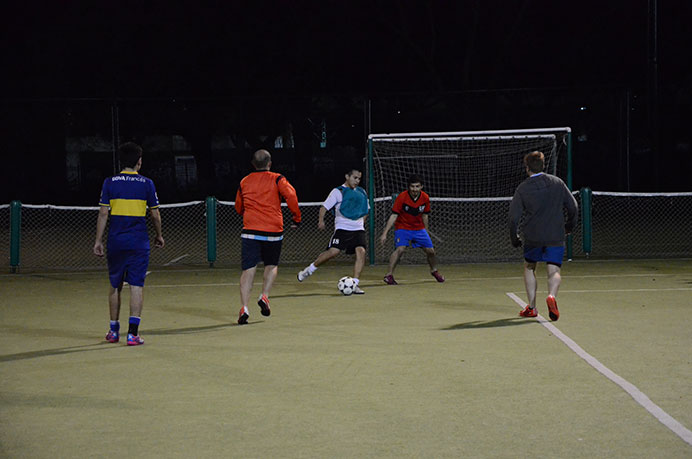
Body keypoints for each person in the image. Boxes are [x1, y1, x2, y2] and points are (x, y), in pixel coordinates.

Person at [93, 142, 164, 346]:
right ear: (139, 161)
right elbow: (155, 214)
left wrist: (98, 240)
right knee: (136, 285)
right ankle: (132, 334)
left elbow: (103, 213)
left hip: (116, 241)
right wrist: (159, 235)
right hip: (138, 242)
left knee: (115, 285)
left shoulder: (109, 182)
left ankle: (113, 331)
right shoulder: (146, 183)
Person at [509, 151, 578, 321]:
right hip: (555, 234)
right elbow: (574, 207)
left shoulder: (523, 188)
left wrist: (514, 237)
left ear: (527, 168)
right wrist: (569, 226)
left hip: (533, 236)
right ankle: (552, 296)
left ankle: (532, 307)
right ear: (543, 165)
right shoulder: (557, 182)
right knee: (553, 270)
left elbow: (513, 217)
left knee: (529, 267)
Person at [235, 149, 301, 325]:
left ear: (253, 164)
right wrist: (296, 218)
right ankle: (264, 295)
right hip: (273, 230)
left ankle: (244, 307)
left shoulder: (244, 181)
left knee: (248, 270)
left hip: (250, 230)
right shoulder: (278, 179)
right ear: (269, 163)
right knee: (271, 265)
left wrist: (247, 212)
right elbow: (291, 195)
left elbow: (238, 206)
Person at [297, 168, 369, 294]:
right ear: (347, 176)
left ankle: (355, 283)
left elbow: (366, 210)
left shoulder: (362, 192)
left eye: (359, 178)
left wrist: (362, 222)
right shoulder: (338, 191)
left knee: (361, 251)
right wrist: (321, 220)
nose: (357, 181)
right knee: (333, 252)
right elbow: (324, 207)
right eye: (355, 178)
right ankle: (309, 269)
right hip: (343, 227)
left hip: (358, 228)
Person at [379, 175, 445, 285]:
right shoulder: (402, 197)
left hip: (419, 229)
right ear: (409, 187)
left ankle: (434, 271)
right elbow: (394, 215)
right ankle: (388, 275)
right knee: (400, 249)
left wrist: (426, 231)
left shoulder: (425, 198)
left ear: (421, 187)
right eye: (412, 186)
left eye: (417, 186)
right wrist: (384, 233)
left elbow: (425, 215)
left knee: (431, 251)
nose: (414, 189)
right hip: (403, 228)